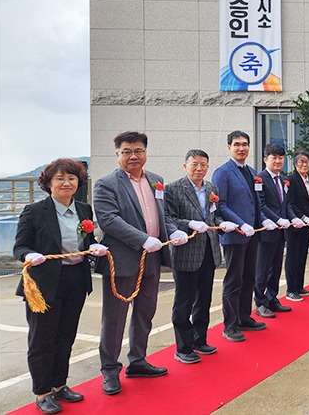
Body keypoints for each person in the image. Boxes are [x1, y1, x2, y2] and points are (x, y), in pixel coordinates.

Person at [94, 131, 187, 395]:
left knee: (145, 312)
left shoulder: (156, 181)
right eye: (127, 151)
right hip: (122, 260)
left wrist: (172, 231)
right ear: (117, 154)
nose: (133, 156)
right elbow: (108, 220)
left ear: (145, 153)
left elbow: (163, 214)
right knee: (115, 318)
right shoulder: (106, 184)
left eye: (138, 151)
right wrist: (143, 239)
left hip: (153, 258)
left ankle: (137, 360)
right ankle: (110, 370)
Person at [13, 159, 108, 414]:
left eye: (72, 179)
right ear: (48, 183)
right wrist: (29, 255)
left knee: (66, 336)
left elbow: (86, 239)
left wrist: (94, 247)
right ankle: (42, 392)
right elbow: (19, 247)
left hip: (76, 279)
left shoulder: (84, 209)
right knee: (42, 339)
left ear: (79, 183)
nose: (67, 183)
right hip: (44, 284)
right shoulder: (34, 211)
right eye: (60, 179)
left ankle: (59, 385)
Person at [165, 150, 234, 364]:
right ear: (185, 166)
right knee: (183, 302)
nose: (199, 169)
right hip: (186, 252)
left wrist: (222, 223)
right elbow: (168, 217)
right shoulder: (174, 189)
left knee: (203, 300)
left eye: (203, 165)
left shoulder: (212, 188)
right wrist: (188, 225)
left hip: (209, 251)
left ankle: (199, 340)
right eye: (194, 164)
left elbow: (213, 214)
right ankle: (183, 347)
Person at [212, 131, 271, 343]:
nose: (242, 148)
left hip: (252, 234)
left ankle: (245, 316)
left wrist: (262, 220)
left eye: (245, 144)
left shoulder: (251, 171)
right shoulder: (222, 173)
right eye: (237, 144)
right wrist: (241, 223)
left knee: (249, 278)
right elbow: (221, 204)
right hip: (235, 236)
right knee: (233, 281)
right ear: (229, 147)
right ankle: (230, 325)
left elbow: (256, 203)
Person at [254, 143, 304, 318]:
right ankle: (260, 302)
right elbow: (261, 205)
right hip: (267, 231)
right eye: (274, 157)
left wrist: (293, 218)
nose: (277, 161)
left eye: (280, 158)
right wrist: (277, 219)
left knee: (275, 268)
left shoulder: (283, 180)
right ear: (265, 159)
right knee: (262, 269)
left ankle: (272, 298)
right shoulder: (259, 179)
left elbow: (286, 204)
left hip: (281, 231)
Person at [285, 151, 309, 301]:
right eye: (300, 162)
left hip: (307, 225)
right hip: (296, 225)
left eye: (306, 162)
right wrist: (301, 217)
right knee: (293, 257)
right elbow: (290, 203)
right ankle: (291, 289)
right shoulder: (291, 180)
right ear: (295, 164)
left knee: (302, 256)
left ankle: (299, 286)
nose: (304, 164)